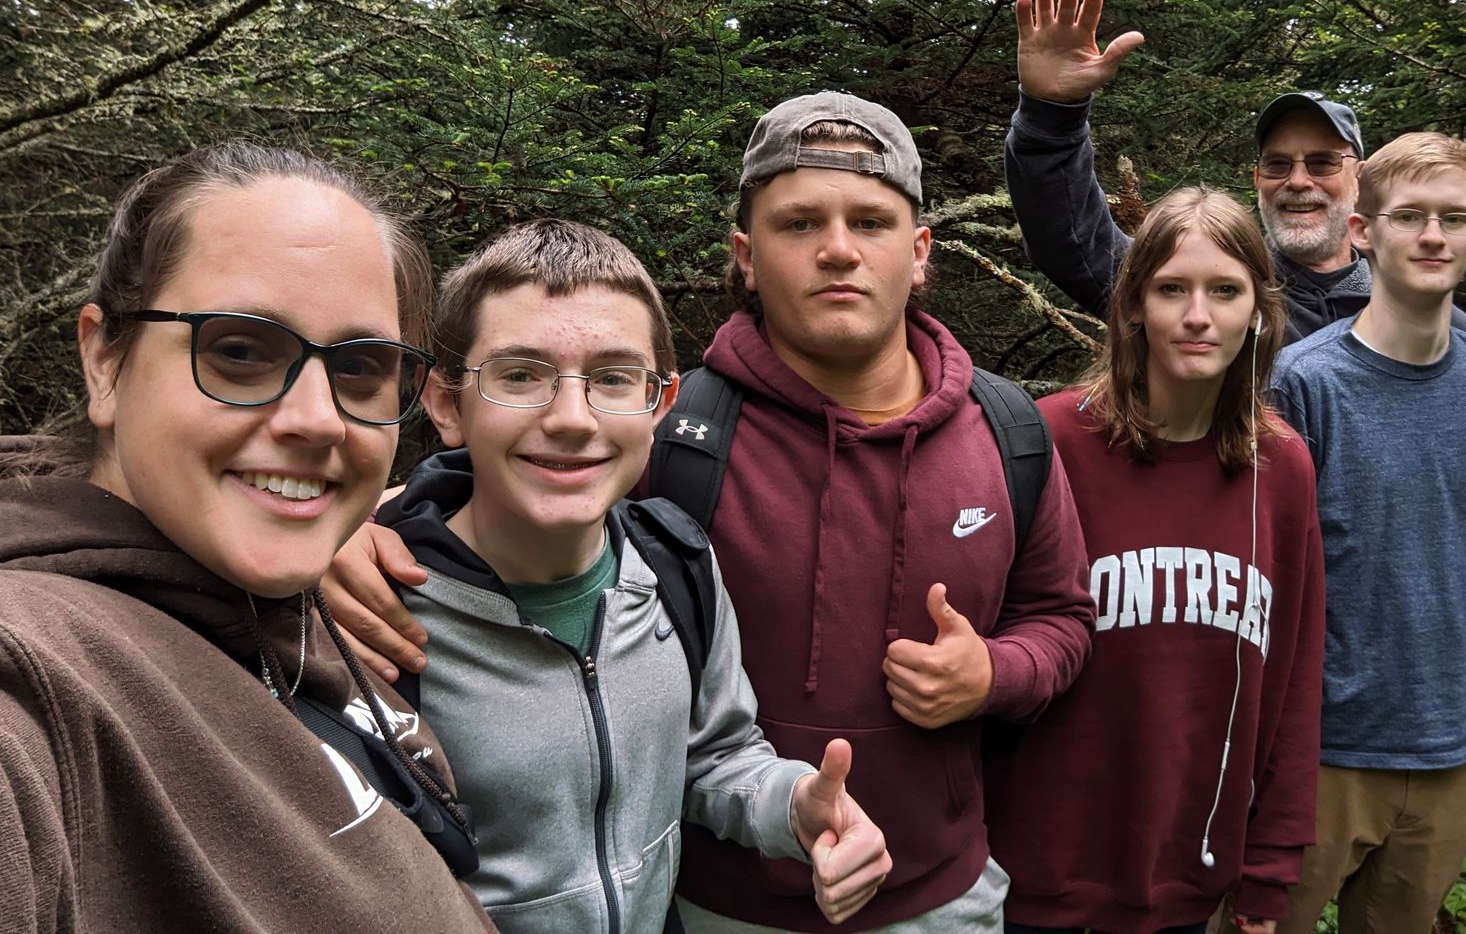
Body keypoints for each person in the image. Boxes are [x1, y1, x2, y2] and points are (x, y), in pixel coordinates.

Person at [324, 92, 1097, 933]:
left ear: (918, 254)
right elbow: (525, 473)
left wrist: (997, 674)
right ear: (747, 256)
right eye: (799, 224)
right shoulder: (679, 430)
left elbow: (1061, 619)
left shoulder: (1010, 432)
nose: (838, 250)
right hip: (716, 904)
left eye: (870, 223)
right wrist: (351, 531)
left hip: (944, 893)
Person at [0, 143, 495, 932]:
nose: (316, 420)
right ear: (103, 359)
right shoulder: (34, 675)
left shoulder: (280, 601)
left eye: (360, 366)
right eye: (236, 351)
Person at [347, 219, 891, 932]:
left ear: (659, 405)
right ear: (448, 404)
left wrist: (793, 806)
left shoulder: (676, 562)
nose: (572, 418)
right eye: (520, 375)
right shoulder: (365, 608)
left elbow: (714, 755)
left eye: (611, 378)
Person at [986, 187, 1325, 934]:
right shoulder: (1045, 443)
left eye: (1225, 290)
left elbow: (1293, 683)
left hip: (1187, 875)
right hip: (1034, 875)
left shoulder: (1283, 467)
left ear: (1259, 310)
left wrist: (1270, 871)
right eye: (1172, 288)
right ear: (1135, 304)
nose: (1198, 316)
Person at [1267, 133, 1466, 934]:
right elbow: (1276, 570)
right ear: (1362, 231)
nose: (1433, 236)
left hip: (1455, 744)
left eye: (1455, 219)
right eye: (1410, 216)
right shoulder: (1302, 383)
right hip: (1323, 747)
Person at [1004, 0, 1466, 344]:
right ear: (1256, 178)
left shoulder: (1424, 314)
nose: (1298, 181)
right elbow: (1072, 245)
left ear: (1359, 178)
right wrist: (1052, 114)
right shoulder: (1211, 283)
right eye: (1278, 164)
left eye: (1322, 163)